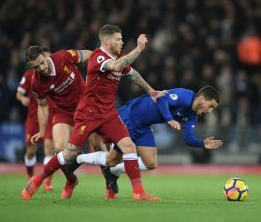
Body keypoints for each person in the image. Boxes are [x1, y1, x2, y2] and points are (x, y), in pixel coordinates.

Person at [21, 24, 162, 201]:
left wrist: (151, 91)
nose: (42, 67)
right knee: (67, 152)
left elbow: (131, 73)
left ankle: (137, 192)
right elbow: (115, 65)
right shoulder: (100, 58)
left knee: (128, 146)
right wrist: (139, 48)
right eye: (118, 39)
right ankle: (38, 181)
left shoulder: (70, 57)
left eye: (42, 62)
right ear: (106, 41)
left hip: (107, 112)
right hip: (86, 112)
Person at [76, 86, 223, 196]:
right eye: (210, 106)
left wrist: (202, 143)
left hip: (144, 125)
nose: (209, 111)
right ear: (202, 99)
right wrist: (169, 118)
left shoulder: (193, 115)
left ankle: (114, 172)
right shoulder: (184, 96)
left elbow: (188, 138)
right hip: (130, 116)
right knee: (111, 160)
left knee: (151, 163)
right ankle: (78, 158)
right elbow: (160, 97)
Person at [20, 45, 97, 199]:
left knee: (99, 145)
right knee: (60, 149)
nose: (42, 68)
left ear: (44, 56)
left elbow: (90, 54)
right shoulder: (36, 83)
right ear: (31, 66)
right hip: (63, 111)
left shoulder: (63, 57)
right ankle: (71, 180)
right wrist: (42, 130)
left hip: (85, 105)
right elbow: (42, 106)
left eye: (42, 62)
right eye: (37, 66)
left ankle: (109, 189)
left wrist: (94, 75)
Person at [16, 47, 55, 191]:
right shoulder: (30, 76)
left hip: (52, 116)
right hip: (34, 118)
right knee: (31, 150)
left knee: (49, 150)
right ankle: (30, 176)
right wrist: (23, 99)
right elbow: (18, 93)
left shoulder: (56, 74)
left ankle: (47, 182)